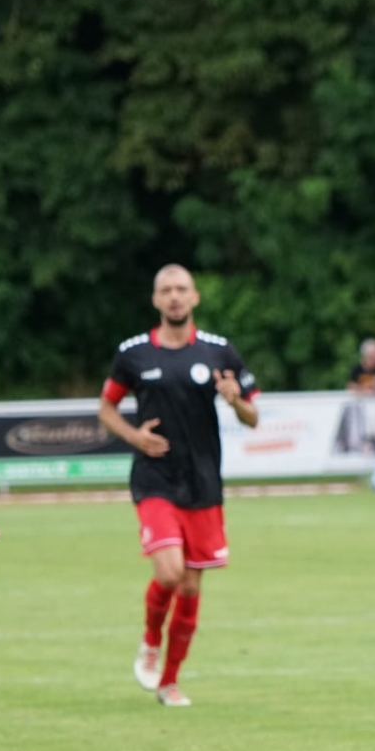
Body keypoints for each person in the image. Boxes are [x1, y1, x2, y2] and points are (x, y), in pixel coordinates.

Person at [98, 264, 259, 708]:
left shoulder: (219, 351)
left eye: (181, 289)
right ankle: (151, 641)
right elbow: (106, 408)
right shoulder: (133, 353)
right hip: (154, 479)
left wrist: (235, 401)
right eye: (166, 290)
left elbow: (253, 416)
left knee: (189, 587)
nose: (174, 296)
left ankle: (169, 681)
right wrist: (135, 437)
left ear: (194, 297)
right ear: (156, 299)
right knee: (169, 572)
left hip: (203, 482)